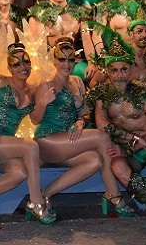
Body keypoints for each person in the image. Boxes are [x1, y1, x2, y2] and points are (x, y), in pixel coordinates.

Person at [88, 25, 146, 234]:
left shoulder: (145, 92)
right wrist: (132, 142)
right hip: (129, 147)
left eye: (123, 69)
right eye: (114, 70)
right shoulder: (102, 95)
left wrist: (135, 145)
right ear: (107, 72)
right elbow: (102, 124)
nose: (120, 74)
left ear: (130, 69)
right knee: (118, 167)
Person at [32, 38, 129, 216]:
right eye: (62, 59)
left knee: (95, 160)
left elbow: (84, 112)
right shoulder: (46, 85)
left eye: (70, 59)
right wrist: (43, 104)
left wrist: (80, 121)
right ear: (54, 61)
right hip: (47, 140)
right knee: (102, 136)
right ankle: (114, 195)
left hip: (69, 141)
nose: (66, 64)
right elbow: (34, 120)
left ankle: (44, 195)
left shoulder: (77, 81)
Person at [0, 43, 56, 224]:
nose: (23, 67)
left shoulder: (33, 91)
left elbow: (35, 120)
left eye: (26, 62)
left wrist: (42, 104)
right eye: (16, 64)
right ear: (9, 67)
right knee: (30, 146)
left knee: (19, 172)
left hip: (4, 145)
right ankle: (36, 202)